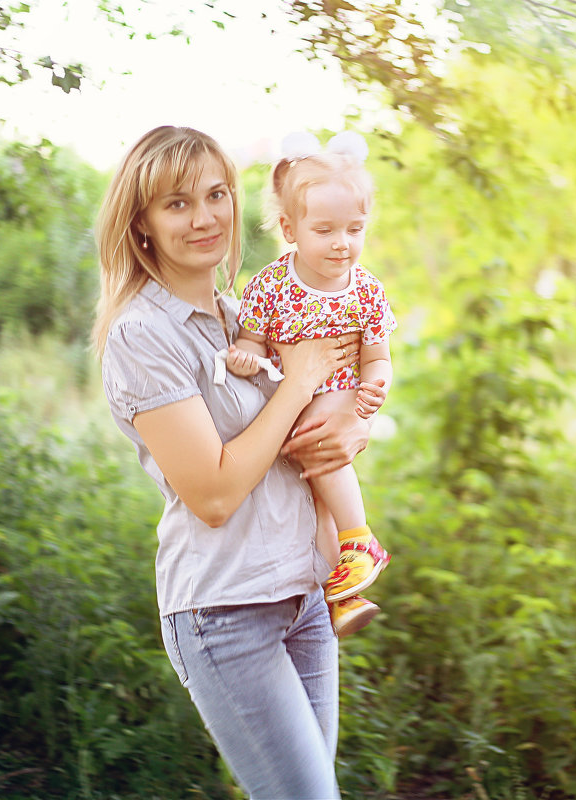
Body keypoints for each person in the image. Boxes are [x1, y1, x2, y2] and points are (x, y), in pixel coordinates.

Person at [93, 125, 370, 799]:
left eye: (217, 194)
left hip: (303, 596)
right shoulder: (141, 336)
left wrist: (353, 429)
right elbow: (213, 493)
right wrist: (299, 382)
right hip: (226, 612)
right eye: (178, 203)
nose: (206, 216)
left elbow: (317, 419)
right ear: (143, 224)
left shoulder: (244, 315)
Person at [222, 131, 394, 637]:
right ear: (290, 229)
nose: (342, 243)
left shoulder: (365, 290)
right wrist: (246, 356)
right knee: (313, 507)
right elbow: (253, 339)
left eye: (354, 229)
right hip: (289, 401)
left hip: (336, 398)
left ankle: (361, 541)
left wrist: (374, 391)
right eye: (325, 230)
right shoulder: (270, 285)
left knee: (322, 448)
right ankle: (342, 595)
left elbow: (377, 357)